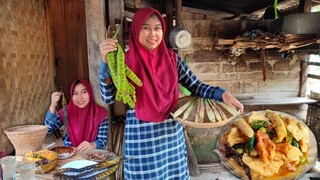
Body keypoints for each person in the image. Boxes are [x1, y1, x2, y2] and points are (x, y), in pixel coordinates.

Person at [98, 7, 244, 179]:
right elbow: (108, 97)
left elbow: (195, 85)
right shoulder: (124, 61)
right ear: (135, 30)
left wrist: (223, 94)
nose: (153, 34)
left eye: (157, 28)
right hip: (141, 140)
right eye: (145, 27)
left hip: (171, 135)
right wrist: (105, 62)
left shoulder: (172, 59)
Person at [44, 78, 108, 152]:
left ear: (90, 93)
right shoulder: (66, 112)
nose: (79, 97)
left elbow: (102, 141)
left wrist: (93, 144)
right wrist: (53, 105)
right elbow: (48, 130)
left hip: (91, 156)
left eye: (84, 92)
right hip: (69, 155)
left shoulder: (100, 114)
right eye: (75, 93)